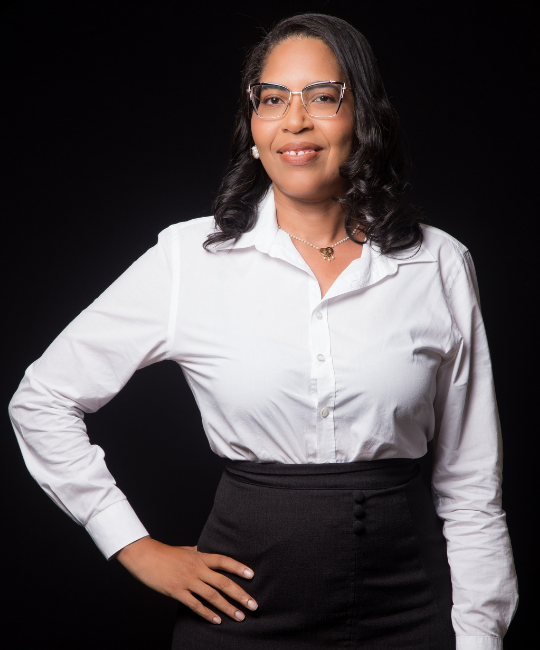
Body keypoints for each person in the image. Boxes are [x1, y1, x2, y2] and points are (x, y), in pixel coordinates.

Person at [9, 13, 518, 650]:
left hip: (410, 611)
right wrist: (132, 546)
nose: (294, 121)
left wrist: (480, 636)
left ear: (364, 117)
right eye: (272, 99)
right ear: (252, 125)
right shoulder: (189, 257)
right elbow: (42, 399)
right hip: (243, 615)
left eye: (322, 96)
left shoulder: (438, 262)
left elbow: (471, 484)